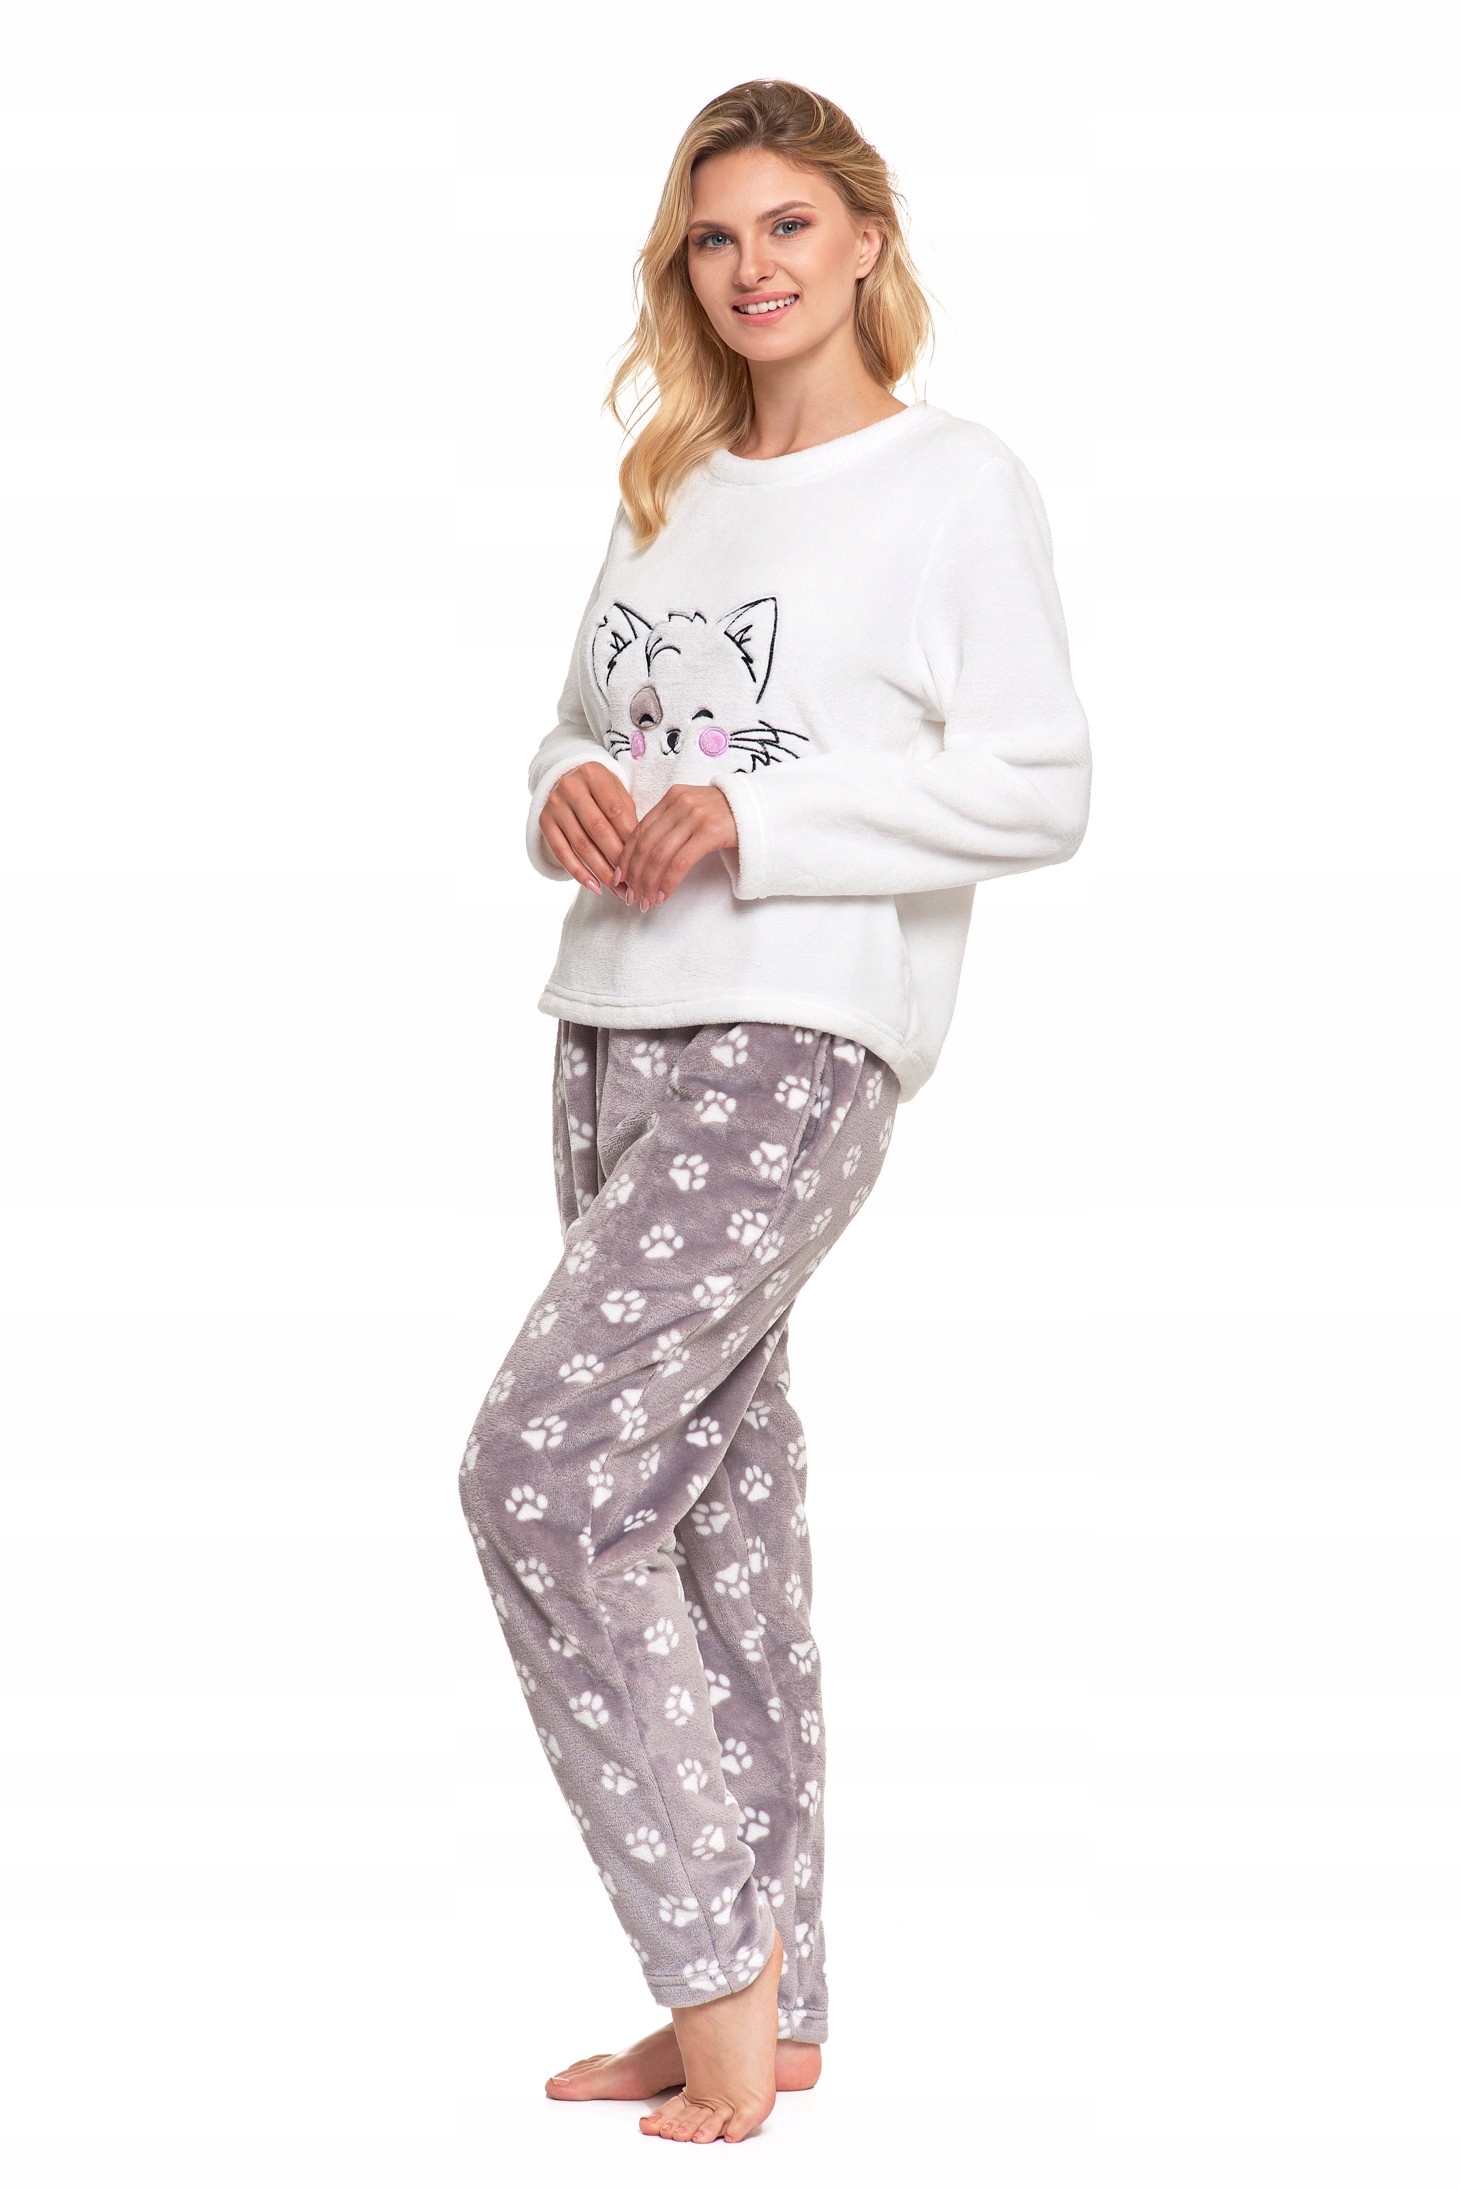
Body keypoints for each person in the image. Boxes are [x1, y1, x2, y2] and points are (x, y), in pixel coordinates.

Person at [458, 77, 1092, 2146]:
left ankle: (708, 1966)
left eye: (790, 228)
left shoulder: (952, 483)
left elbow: (1038, 783)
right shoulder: (671, 477)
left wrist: (762, 818)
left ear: (866, 244)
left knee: (541, 1471)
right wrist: (567, 781)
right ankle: (785, 1996)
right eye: (716, 236)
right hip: (611, 1016)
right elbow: (591, 718)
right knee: (702, 1497)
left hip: (794, 1033)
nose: (752, 269)